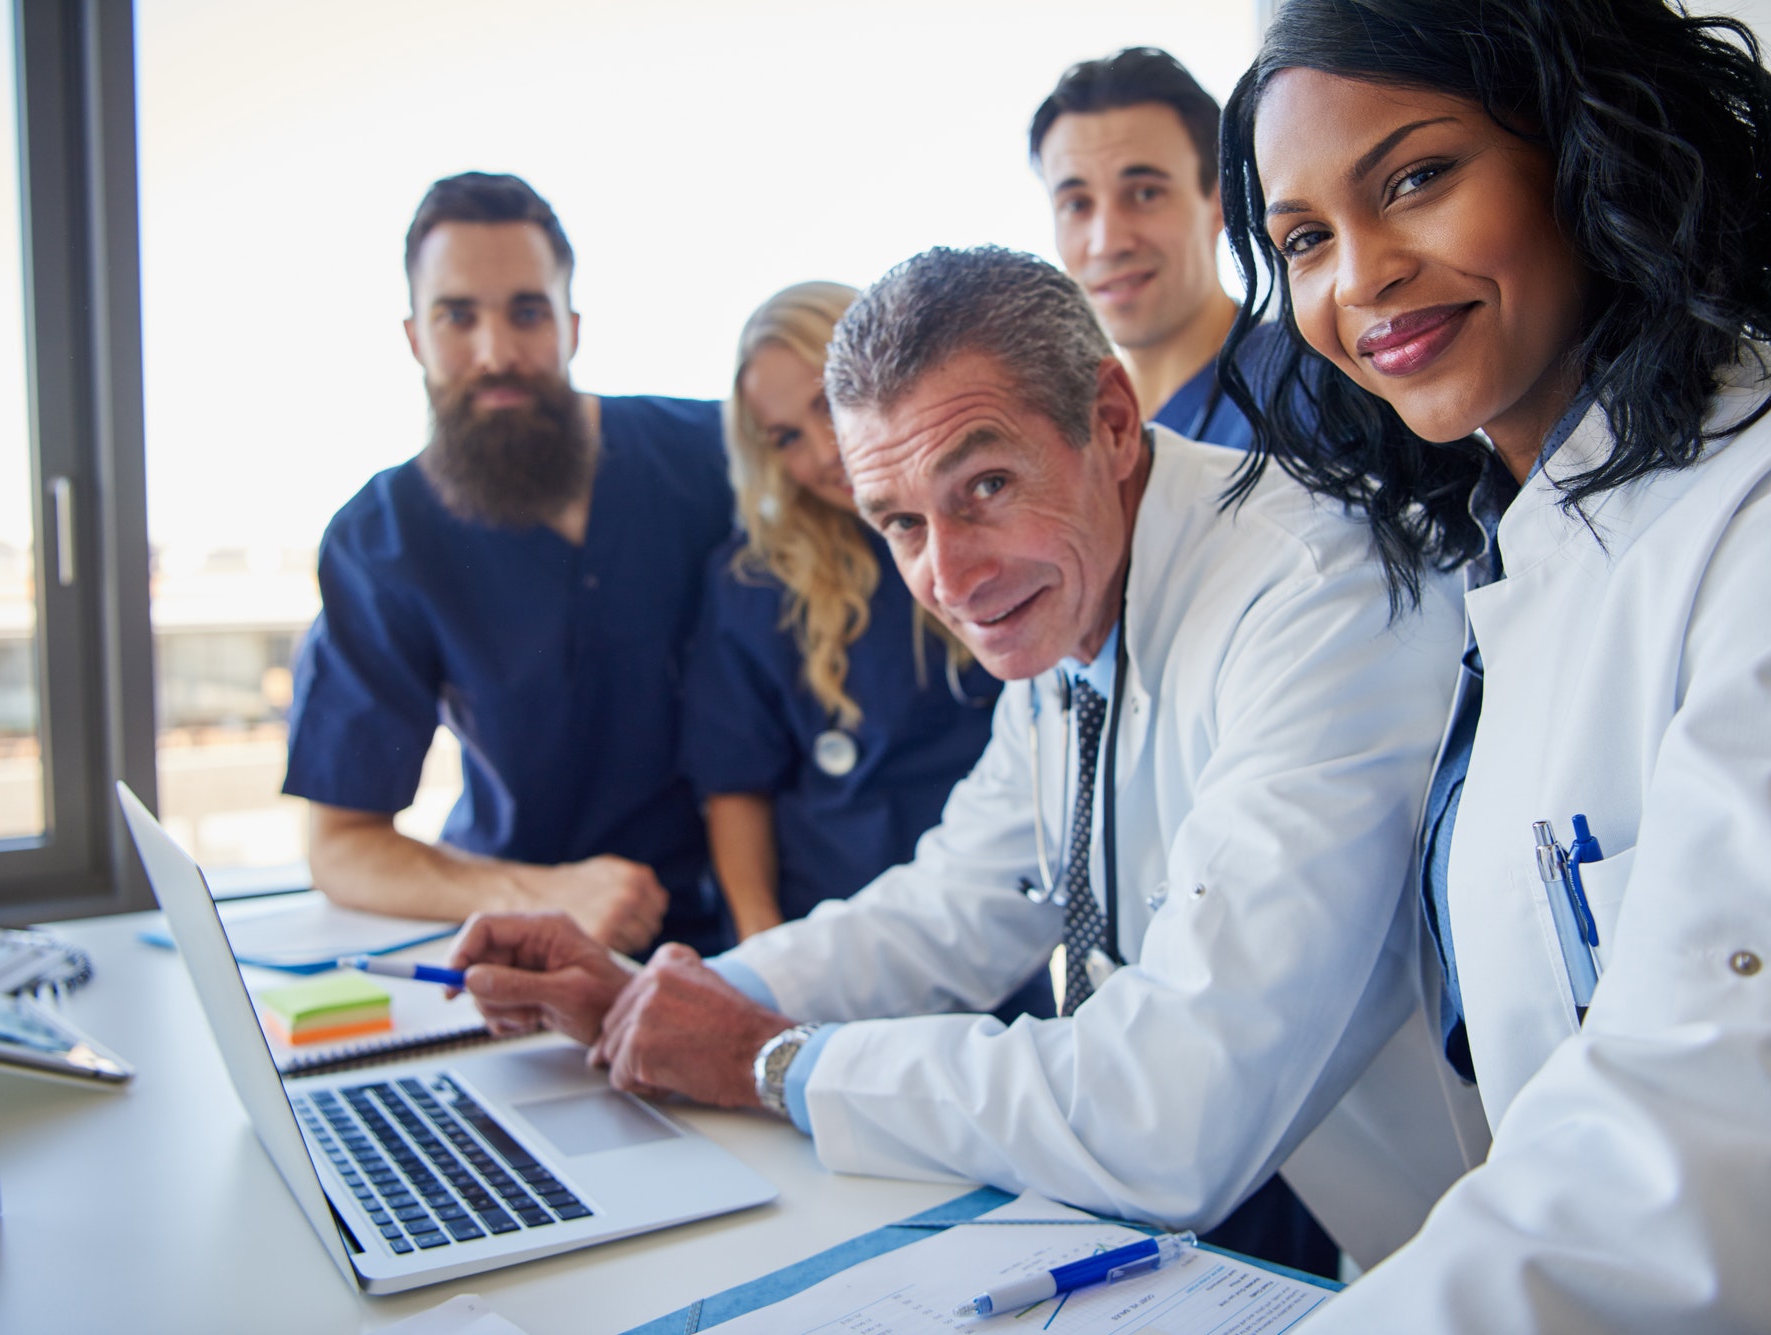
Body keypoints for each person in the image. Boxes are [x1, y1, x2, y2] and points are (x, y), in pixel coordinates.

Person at [447, 246, 1473, 1272]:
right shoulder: (1068, 605)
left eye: (983, 483)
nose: (950, 578)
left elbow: (1173, 1110)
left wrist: (776, 1065)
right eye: (898, 521)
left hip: (1514, 1274)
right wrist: (661, 1002)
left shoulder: (1317, 595)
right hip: (1392, 1259)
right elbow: (951, 908)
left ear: (1109, 422)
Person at [1217, 0, 1771, 1328]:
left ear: (1585, 151)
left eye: (1416, 176)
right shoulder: (1504, 550)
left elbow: (1733, 1141)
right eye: (1305, 238)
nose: (1357, 276)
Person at [282, 172, 731, 957]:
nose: (496, 353)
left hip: (762, 932)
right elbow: (343, 845)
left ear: (572, 327)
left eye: (528, 312)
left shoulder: (718, 461)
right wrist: (540, 893)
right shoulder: (382, 538)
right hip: (532, 938)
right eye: (458, 316)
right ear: (416, 337)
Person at [679, 281, 1007, 943]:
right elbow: (736, 786)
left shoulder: (990, 528)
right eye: (785, 437)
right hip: (823, 928)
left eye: (828, 406)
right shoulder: (756, 583)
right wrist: (760, 954)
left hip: (985, 923)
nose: (825, 453)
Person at [1029, 47, 1278, 448]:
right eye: (1076, 204)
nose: (1106, 243)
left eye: (1145, 193)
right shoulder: (1075, 437)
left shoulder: (1307, 392)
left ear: (1220, 203)